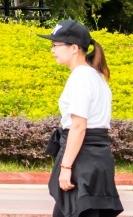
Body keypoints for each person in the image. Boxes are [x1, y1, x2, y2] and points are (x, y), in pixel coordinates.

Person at [44, 20, 122, 217]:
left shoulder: (80, 78)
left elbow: (79, 126)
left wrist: (66, 167)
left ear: (74, 48)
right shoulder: (96, 76)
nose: (52, 50)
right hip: (99, 159)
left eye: (56, 45)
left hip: (82, 159)